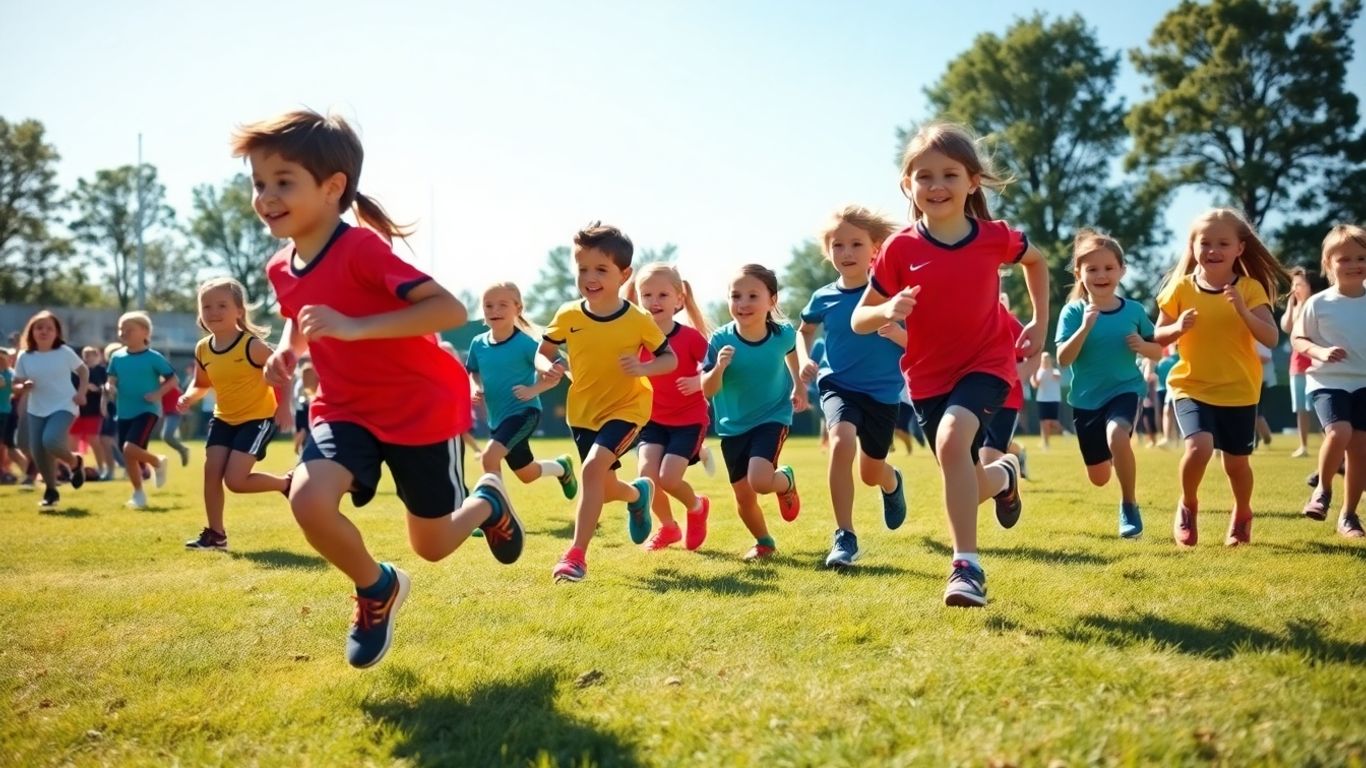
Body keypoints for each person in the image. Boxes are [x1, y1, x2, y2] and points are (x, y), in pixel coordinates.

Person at [237, 108, 522, 669]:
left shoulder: (362, 249)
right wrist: (287, 352)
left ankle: (487, 503)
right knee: (307, 499)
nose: (266, 197)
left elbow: (449, 309)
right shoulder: (279, 268)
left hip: (419, 408)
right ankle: (377, 587)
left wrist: (353, 327)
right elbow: (300, 318)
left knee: (432, 546)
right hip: (344, 408)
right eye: (259, 183)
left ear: (332, 187)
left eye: (283, 182)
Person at [852, 122, 1049, 608]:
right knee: (966, 476)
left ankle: (966, 567)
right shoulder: (899, 249)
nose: (936, 185)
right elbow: (860, 318)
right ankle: (1004, 476)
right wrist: (887, 308)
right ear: (908, 185)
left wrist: (1040, 322)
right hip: (927, 379)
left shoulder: (994, 237)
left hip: (987, 363)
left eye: (949, 174)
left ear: (972, 182)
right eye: (924, 176)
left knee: (951, 440)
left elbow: (1037, 261)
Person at [538, 222, 677, 582]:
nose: (590, 277)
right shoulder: (568, 314)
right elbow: (544, 351)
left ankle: (575, 556)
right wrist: (546, 366)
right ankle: (636, 496)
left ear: (624, 274)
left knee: (591, 470)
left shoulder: (638, 319)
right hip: (583, 413)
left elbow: (669, 359)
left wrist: (643, 367)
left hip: (627, 408)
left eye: (601, 269)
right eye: (583, 268)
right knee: (604, 484)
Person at [1154, 208, 1288, 547]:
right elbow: (1158, 335)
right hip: (1191, 385)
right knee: (1198, 447)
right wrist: (1176, 327)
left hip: (1239, 391)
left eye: (1223, 243)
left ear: (1239, 248)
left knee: (1237, 465)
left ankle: (1242, 513)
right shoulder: (1180, 288)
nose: (1213, 250)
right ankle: (1188, 505)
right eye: (1205, 243)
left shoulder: (1250, 289)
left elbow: (1271, 337)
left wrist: (1242, 310)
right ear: (1193, 246)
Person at [797, 206, 908, 568]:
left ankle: (891, 481)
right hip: (838, 384)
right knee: (841, 441)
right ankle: (844, 535)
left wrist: (899, 334)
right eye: (838, 245)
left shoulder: (892, 295)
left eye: (856, 244)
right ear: (828, 251)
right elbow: (804, 330)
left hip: (883, 394)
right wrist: (804, 358)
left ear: (875, 249)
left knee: (870, 472)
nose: (846, 252)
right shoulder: (823, 297)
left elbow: (922, 343)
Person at [1055, 230, 1161, 538]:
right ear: (1079, 273)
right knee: (1099, 477)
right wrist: (1085, 328)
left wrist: (1143, 345)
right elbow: (1064, 358)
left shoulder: (1134, 310)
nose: (1101, 275)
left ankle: (1129, 504)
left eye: (1109, 268)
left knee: (1117, 435)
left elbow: (1158, 350)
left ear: (1122, 270)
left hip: (1125, 389)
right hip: (1086, 400)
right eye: (1092, 269)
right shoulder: (1073, 312)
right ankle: (1115, 461)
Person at [177, 277, 294, 551]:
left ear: (239, 311)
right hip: (223, 419)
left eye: (222, 305)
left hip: (257, 420)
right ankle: (216, 535)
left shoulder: (251, 346)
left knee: (236, 481)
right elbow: (201, 384)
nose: (213, 312)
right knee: (211, 473)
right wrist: (188, 396)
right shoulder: (203, 348)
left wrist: (285, 407)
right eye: (207, 306)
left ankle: (285, 483)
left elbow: (284, 373)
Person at [704, 263, 806, 562]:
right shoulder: (720, 340)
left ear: (771, 300)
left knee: (760, 481)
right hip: (732, 426)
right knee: (744, 497)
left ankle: (784, 480)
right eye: (736, 296)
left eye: (752, 296)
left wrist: (798, 385)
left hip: (772, 416)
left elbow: (792, 352)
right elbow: (707, 389)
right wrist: (719, 367)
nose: (743, 303)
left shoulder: (783, 334)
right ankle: (764, 542)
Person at [625, 264, 714, 552]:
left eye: (662, 295)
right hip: (652, 420)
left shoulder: (690, 337)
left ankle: (697, 507)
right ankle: (668, 527)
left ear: (679, 299)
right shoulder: (635, 339)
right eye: (647, 295)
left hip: (689, 420)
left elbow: (716, 370)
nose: (654, 301)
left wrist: (699, 381)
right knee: (647, 478)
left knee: (669, 479)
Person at [466, 282, 577, 499]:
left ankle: (496, 511)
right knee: (527, 474)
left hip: (524, 413)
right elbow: (474, 371)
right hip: (497, 419)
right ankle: (562, 468)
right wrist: (476, 387)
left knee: (490, 457)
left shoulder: (525, 343)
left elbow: (543, 364)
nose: (495, 310)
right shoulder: (477, 343)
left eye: (502, 305)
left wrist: (534, 388)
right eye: (488, 305)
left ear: (518, 308)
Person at [1293, 224, 1366, 537]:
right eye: (1344, 259)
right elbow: (1298, 339)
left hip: (1363, 384)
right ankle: (1322, 490)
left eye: (1361, 257)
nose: (1354, 264)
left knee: (1360, 448)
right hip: (1328, 381)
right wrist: (1320, 352)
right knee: (1339, 431)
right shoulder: (1319, 303)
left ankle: (1349, 517)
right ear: (1328, 264)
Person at [12, 311, 89, 508]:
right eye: (39, 328)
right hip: (36, 408)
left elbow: (83, 370)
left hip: (64, 404)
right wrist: (23, 386)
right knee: (37, 451)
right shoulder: (25, 356)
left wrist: (81, 393)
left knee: (51, 441)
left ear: (56, 333)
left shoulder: (64, 352)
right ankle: (51, 490)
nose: (44, 331)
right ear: (31, 332)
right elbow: (16, 384)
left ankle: (75, 462)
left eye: (49, 328)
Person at [106, 311, 178, 510]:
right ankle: (138, 494)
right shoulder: (116, 357)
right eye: (121, 329)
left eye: (129, 329)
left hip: (147, 410)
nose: (123, 333)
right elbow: (110, 380)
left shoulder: (153, 357)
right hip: (124, 411)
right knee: (129, 455)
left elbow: (173, 380)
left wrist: (158, 393)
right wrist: (109, 387)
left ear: (145, 332)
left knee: (129, 448)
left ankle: (157, 461)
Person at [1282, 267, 1316, 458]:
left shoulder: (1315, 304)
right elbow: (1286, 326)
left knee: (1316, 407)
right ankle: (1303, 446)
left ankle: (1330, 443)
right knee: (1301, 408)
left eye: (1299, 284)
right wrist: (1291, 304)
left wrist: (1301, 304)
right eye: (1294, 284)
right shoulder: (1295, 306)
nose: (1295, 288)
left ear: (1309, 286)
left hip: (1315, 363)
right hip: (1297, 364)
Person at [1030, 352, 1063, 450]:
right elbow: (1035, 384)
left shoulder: (1055, 371)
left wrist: (1049, 369)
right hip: (1042, 399)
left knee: (1052, 421)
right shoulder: (1039, 371)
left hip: (1053, 399)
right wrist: (1034, 374)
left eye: (1047, 359)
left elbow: (1057, 377)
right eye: (1044, 359)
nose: (1046, 361)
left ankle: (1065, 433)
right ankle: (1045, 442)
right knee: (1044, 422)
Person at [160, 372, 191, 467]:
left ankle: (183, 449)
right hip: (169, 414)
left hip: (174, 414)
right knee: (166, 436)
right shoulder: (162, 386)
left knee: (167, 436)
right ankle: (182, 449)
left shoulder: (169, 386)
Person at [1155, 346, 1181, 447]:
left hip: (1177, 388)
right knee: (1167, 411)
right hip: (1167, 389)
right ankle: (1168, 438)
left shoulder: (1178, 358)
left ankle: (1175, 438)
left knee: (1173, 413)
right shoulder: (1165, 360)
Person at [1254, 341, 1277, 449]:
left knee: (1256, 411)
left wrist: (1245, 357)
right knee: (1255, 411)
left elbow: (1266, 358)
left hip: (1261, 381)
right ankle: (1262, 436)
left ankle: (1264, 436)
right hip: (1253, 380)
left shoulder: (1260, 339)